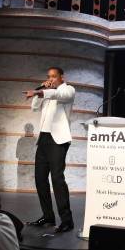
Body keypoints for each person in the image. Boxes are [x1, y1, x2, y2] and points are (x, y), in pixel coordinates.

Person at [24, 67, 76, 233]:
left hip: (58, 140)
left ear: (62, 77)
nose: (51, 79)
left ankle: (67, 220)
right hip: (44, 139)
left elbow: (61, 96)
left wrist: (43, 92)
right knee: (40, 178)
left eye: (54, 76)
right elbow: (34, 107)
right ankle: (48, 216)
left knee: (57, 179)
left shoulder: (67, 89)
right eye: (49, 77)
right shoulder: (47, 91)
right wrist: (41, 90)